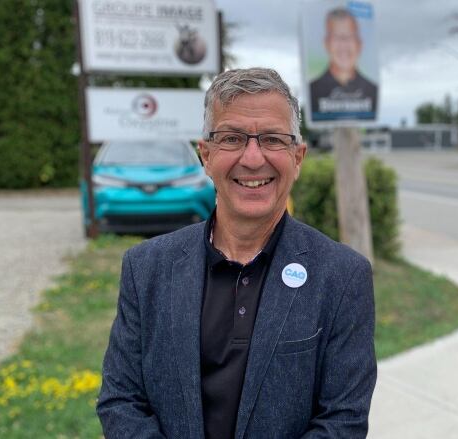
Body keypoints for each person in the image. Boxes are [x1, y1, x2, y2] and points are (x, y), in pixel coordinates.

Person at [97, 67, 377, 439]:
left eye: (273, 139)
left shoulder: (342, 277)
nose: (252, 157)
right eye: (232, 138)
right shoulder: (146, 268)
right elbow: (121, 401)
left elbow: (343, 421)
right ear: (206, 155)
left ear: (298, 157)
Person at [309, 8, 378, 118]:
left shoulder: (373, 91)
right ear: (326, 43)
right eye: (337, 37)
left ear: (359, 43)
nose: (343, 45)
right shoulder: (312, 91)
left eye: (350, 36)